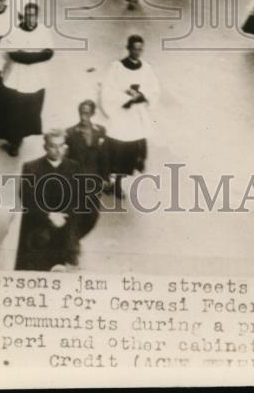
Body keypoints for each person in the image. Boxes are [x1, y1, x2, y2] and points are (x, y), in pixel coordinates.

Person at [99, 35, 160, 197]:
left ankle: (119, 184)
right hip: (120, 116)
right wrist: (126, 98)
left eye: (140, 49)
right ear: (128, 48)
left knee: (130, 152)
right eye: (134, 49)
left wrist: (140, 95)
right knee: (116, 149)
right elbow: (108, 90)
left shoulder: (146, 68)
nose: (137, 53)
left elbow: (153, 89)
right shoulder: (116, 67)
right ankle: (108, 181)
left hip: (135, 118)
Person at [0, 3, 54, 156]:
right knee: (12, 110)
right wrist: (32, 56)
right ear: (24, 16)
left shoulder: (43, 31)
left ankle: (18, 139)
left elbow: (48, 52)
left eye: (33, 15)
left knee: (28, 111)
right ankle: (13, 139)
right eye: (27, 15)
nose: (30, 19)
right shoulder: (14, 31)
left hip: (35, 80)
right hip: (15, 78)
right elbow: (12, 54)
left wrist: (26, 56)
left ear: (37, 16)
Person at [15, 130, 80, 271]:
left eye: (61, 145)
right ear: (45, 146)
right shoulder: (31, 167)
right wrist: (48, 215)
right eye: (52, 146)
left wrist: (64, 216)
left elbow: (77, 197)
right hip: (35, 229)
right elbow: (26, 198)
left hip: (62, 228)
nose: (57, 150)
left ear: (65, 147)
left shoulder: (74, 167)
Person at [64, 100, 108, 239]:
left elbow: (104, 156)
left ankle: (78, 237)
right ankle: (72, 242)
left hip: (94, 183)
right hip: (75, 183)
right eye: (81, 112)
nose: (83, 116)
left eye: (87, 113)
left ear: (93, 114)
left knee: (92, 216)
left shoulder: (100, 131)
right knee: (74, 215)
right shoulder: (70, 133)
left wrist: (106, 177)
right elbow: (65, 160)